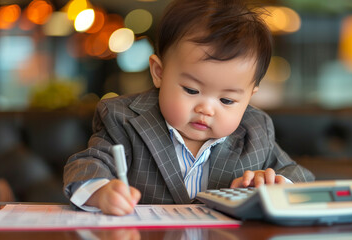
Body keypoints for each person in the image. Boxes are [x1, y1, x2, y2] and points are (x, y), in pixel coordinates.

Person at [63, 0, 314, 216]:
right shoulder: (122, 118)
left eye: (226, 100)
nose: (206, 108)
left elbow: (299, 176)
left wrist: (276, 183)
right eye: (192, 90)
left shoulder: (256, 129)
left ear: (249, 97)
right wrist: (102, 192)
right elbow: (86, 164)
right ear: (159, 73)